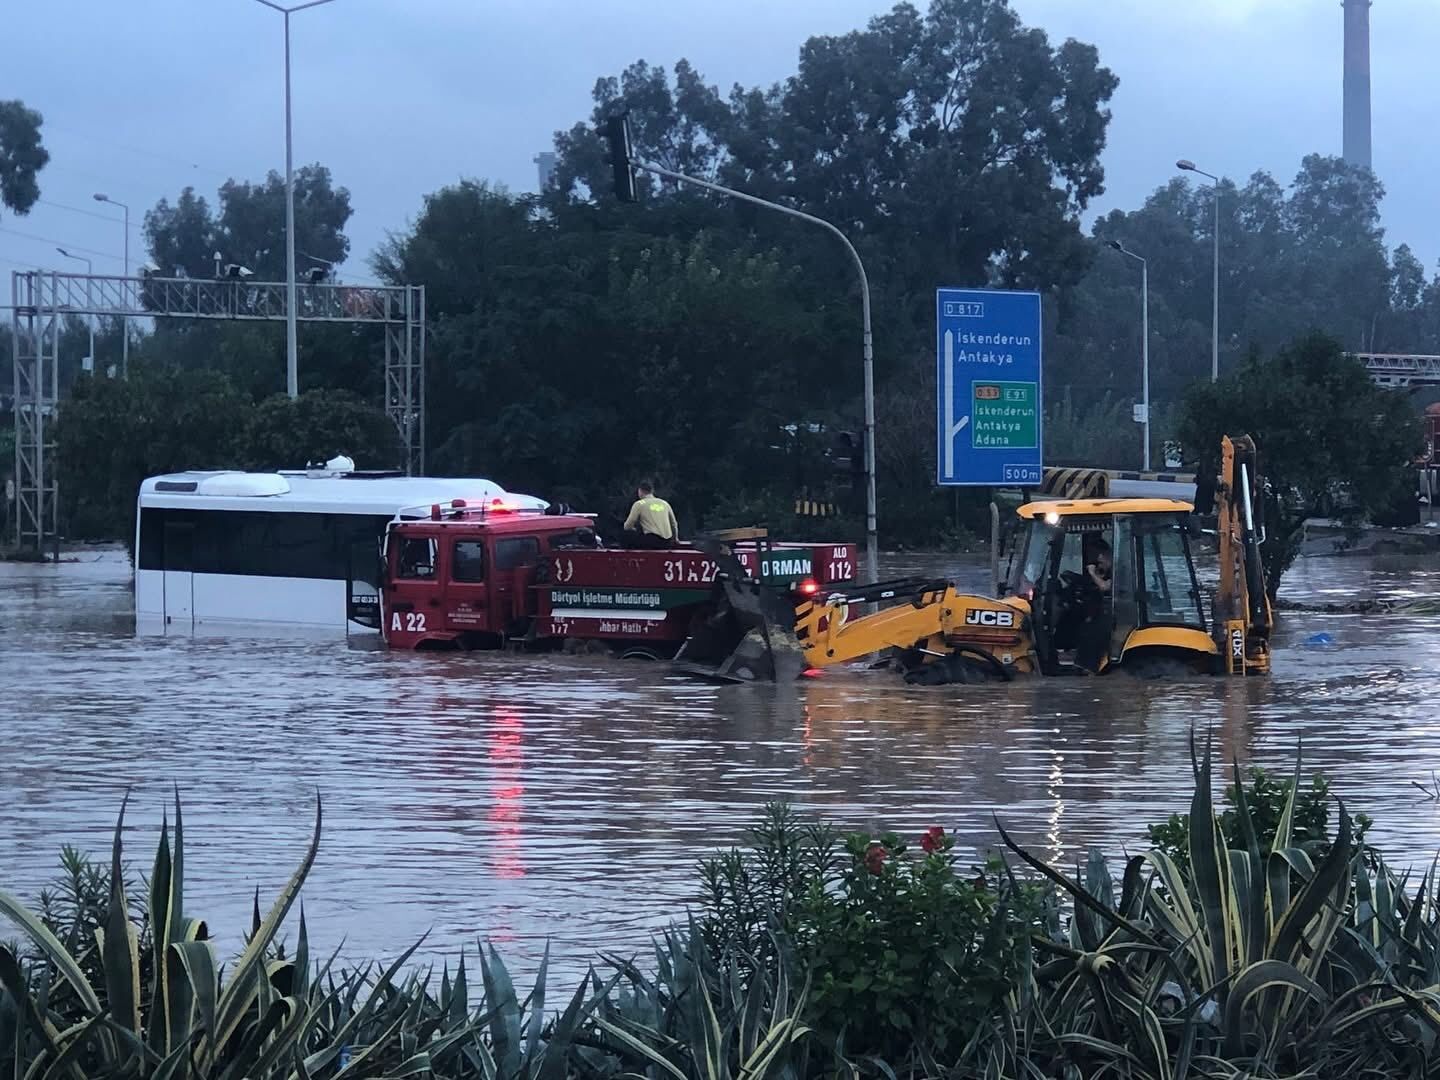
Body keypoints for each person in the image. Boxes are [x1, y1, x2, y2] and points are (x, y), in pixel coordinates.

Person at [622, 481, 679, 549]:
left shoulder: (639, 504)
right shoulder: (665, 503)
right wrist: (675, 539)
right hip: (667, 542)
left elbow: (627, 526)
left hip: (652, 541)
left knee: (625, 535)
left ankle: (629, 558)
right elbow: (674, 524)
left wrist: (633, 529)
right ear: (652, 491)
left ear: (640, 491)